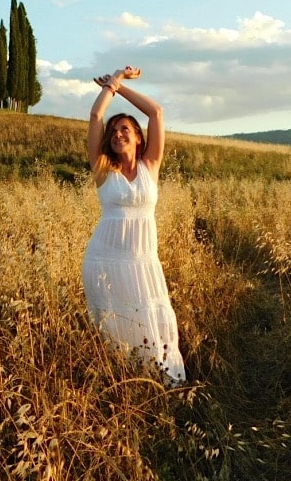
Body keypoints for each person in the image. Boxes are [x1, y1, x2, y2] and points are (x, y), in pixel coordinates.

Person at [81, 66, 187, 385]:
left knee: (152, 318)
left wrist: (120, 85)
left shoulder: (150, 165)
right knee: (115, 327)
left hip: (143, 262)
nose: (116, 135)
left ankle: (164, 382)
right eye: (113, 133)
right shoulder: (103, 170)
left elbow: (155, 112)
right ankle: (122, 385)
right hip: (105, 262)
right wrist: (109, 88)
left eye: (124, 129)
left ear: (138, 137)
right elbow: (96, 118)